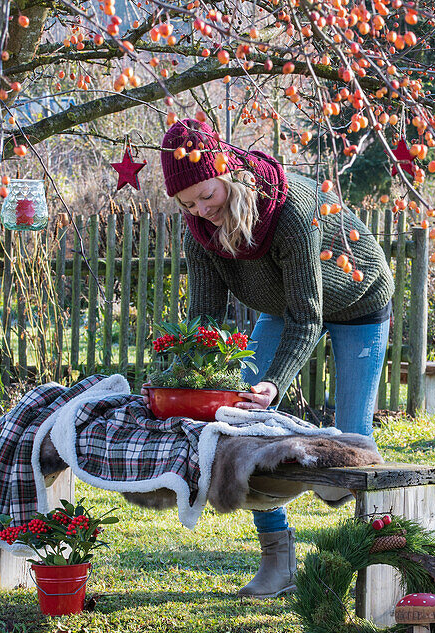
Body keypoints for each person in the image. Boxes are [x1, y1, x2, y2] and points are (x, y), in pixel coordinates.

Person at [160, 119, 395, 598]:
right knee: (248, 426)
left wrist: (275, 382)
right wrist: (193, 372)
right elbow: (207, 317)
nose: (202, 211)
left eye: (207, 195)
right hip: (281, 310)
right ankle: (278, 560)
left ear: (227, 175)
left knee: (355, 439)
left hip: (359, 303)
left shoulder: (290, 211)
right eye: (188, 205)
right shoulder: (199, 232)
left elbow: (308, 316)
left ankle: (375, 568)